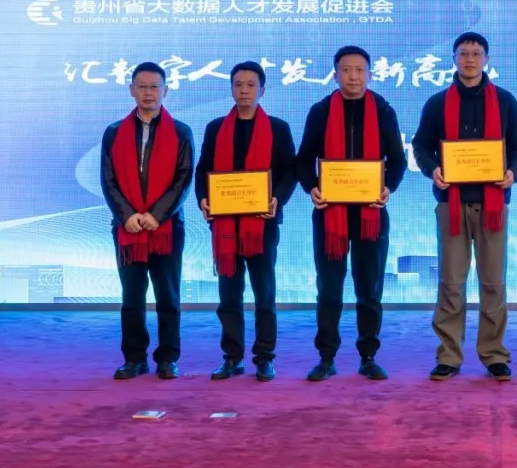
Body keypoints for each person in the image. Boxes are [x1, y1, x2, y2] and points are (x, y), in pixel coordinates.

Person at [412, 32, 517, 382]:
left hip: (493, 204)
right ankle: (449, 355)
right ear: (454, 59)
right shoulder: (437, 103)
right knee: (451, 283)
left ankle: (494, 354)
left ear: (486, 59)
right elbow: (421, 146)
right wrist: (432, 168)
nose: (470, 59)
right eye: (463, 53)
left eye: (476, 53)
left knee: (493, 283)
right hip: (452, 205)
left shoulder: (505, 101)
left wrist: (514, 172)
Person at [295, 45, 407, 382]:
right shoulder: (321, 111)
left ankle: (368, 356)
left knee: (369, 288)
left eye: (359, 70)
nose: (353, 76)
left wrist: (388, 187)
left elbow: (397, 160)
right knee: (329, 289)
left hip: (371, 212)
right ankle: (326, 357)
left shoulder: (383, 110)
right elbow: (304, 158)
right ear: (335, 75)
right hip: (330, 213)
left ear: (370, 74)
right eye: (346, 70)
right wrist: (311, 187)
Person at [195, 61, 297, 382]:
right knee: (229, 295)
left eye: (251, 85)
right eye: (238, 85)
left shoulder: (278, 128)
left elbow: (289, 171)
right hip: (225, 225)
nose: (244, 91)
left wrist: (277, 199)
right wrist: (203, 198)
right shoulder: (216, 128)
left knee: (264, 294)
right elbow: (203, 170)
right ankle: (232, 357)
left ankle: (264, 357)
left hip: (262, 225)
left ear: (262, 90)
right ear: (231, 89)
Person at [101, 61, 194, 380]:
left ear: (165, 91)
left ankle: (167, 358)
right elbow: (108, 179)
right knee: (132, 297)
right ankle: (134, 358)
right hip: (127, 228)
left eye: (155, 87)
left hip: (166, 228)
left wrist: (157, 215)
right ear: (131, 90)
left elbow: (183, 179)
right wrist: (127, 216)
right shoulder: (114, 132)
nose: (148, 93)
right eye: (142, 86)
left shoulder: (181, 132)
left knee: (168, 296)